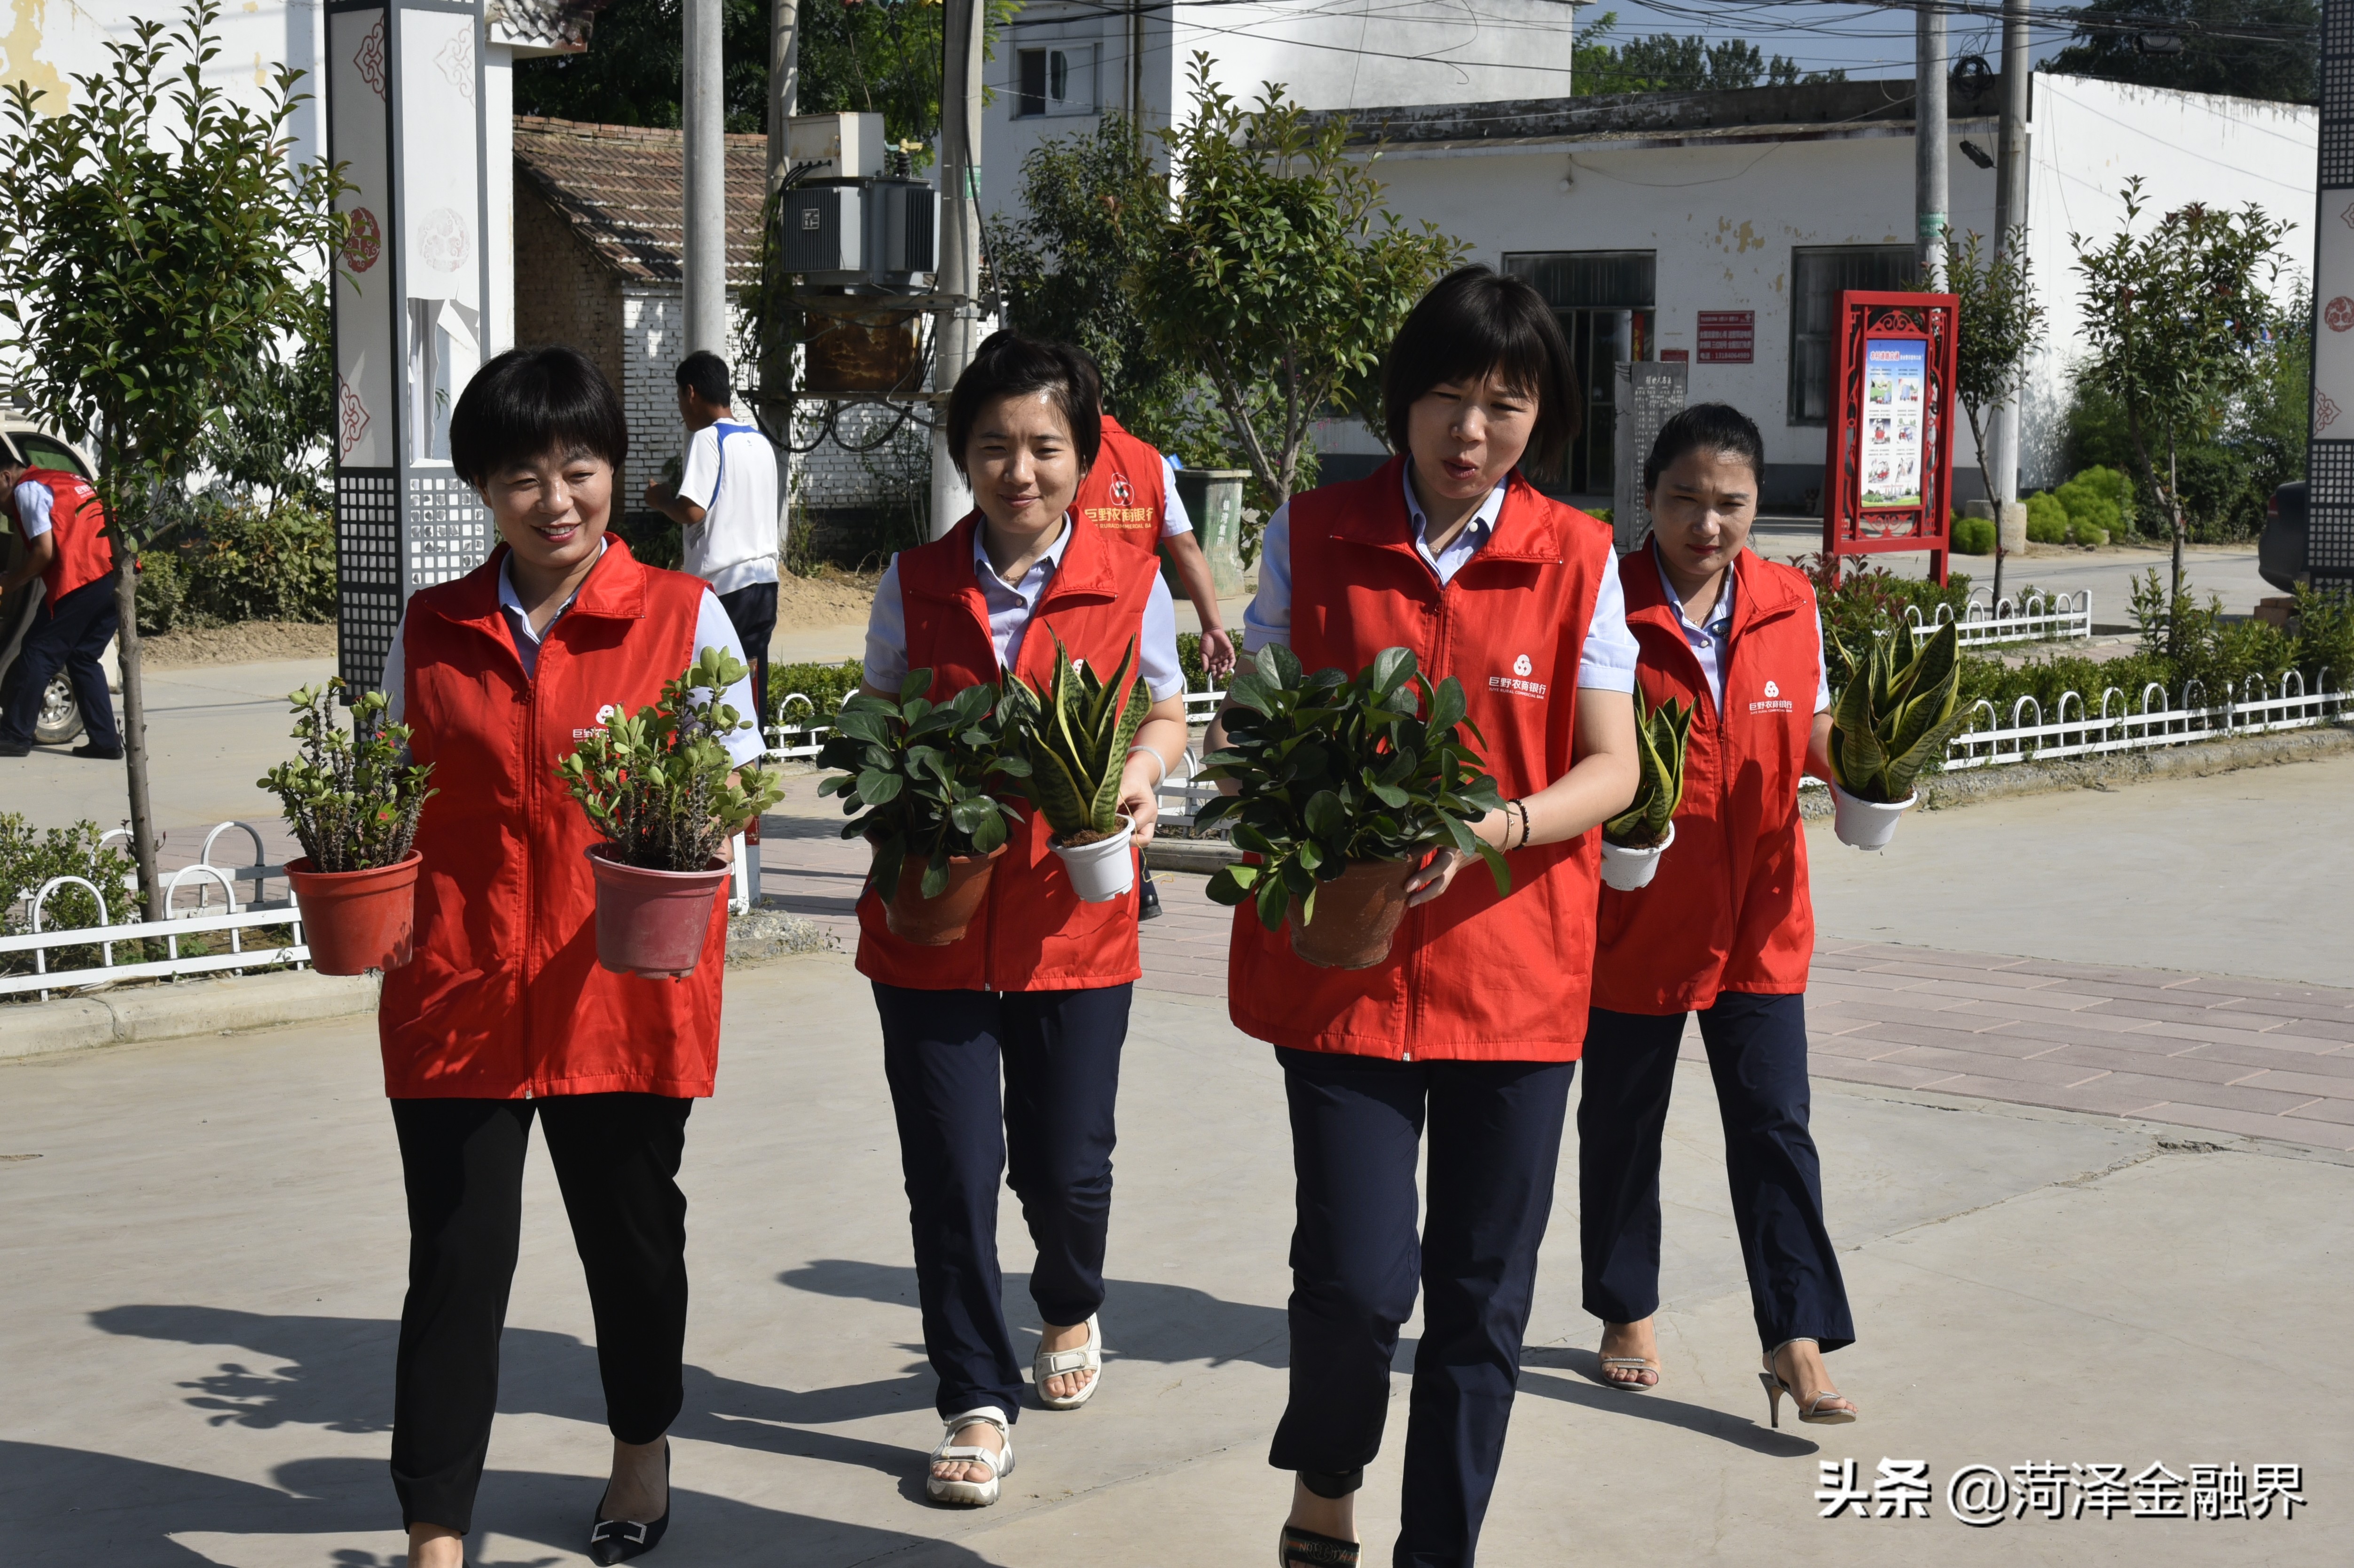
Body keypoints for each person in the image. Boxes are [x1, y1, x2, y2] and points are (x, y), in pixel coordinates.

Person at [1208, 265, 1641, 1568]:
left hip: (1514, 985)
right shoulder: (1314, 530)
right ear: (1399, 403)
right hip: (1341, 971)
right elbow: (1255, 719)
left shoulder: (1579, 555)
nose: (1471, 433)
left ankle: (1436, 1548)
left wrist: (1497, 827)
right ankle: (1329, 1470)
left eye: (1505, 406)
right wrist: (1272, 793)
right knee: (1356, 1282)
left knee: (1478, 1301)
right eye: (1447, 399)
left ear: (1542, 418)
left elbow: (1612, 768)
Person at [377, 345, 767, 1568]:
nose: (555, 499)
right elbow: (383, 795)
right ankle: (436, 1534)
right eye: (521, 476)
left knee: (634, 1248)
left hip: (623, 997)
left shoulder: (682, 617)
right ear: (484, 490)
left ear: (614, 471)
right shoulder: (432, 628)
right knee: (456, 1264)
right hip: (458, 999)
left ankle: (640, 1451)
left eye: (579, 467)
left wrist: (698, 818)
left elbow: (735, 782)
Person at [854, 330, 1192, 1508]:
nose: (1019, 469)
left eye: (1044, 445)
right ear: (962, 455)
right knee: (950, 1169)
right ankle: (973, 1397)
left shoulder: (1130, 580)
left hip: (1073, 921)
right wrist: (900, 789)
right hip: (931, 929)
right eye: (993, 445)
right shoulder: (914, 580)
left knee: (1066, 1167)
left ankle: (1069, 1297)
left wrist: (1144, 772)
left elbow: (1164, 706)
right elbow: (876, 720)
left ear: (1085, 457)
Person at [1577, 402, 1860, 1429]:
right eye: (1684, 500)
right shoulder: (1604, 599)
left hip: (1761, 915)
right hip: (1633, 911)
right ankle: (1623, 1308)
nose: (1707, 523)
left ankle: (1795, 1339)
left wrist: (1863, 771)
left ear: (1757, 505)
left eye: (1730, 503)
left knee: (1775, 1124)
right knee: (1620, 1122)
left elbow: (1812, 718)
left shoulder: (1788, 598)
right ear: (1646, 500)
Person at [642, 349, 781, 711]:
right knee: (750, 687)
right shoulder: (760, 443)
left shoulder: (708, 438)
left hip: (726, 587)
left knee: (715, 692)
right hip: (765, 583)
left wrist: (660, 499)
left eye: (679, 397)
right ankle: (754, 765)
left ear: (690, 392)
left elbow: (691, 510)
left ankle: (717, 768)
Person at [1071, 396, 1238, 682]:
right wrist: (1213, 626)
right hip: (1142, 622)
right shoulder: (1154, 461)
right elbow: (1187, 548)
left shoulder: (1063, 460)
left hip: (1078, 623)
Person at [0, 448, 121, 760]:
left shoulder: (28, 489)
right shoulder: (66, 479)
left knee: (38, 651)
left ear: (5, 478)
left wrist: (9, 582)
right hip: (117, 576)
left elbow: (44, 553)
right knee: (82, 656)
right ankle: (106, 742)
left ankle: (14, 736)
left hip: (83, 577)